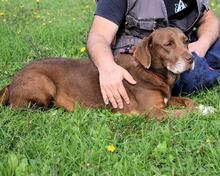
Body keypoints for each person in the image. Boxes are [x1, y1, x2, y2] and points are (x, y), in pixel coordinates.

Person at [87, 0, 220, 109]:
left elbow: (209, 19)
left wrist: (203, 43)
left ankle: (208, 67)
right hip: (147, 65)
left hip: (186, 46)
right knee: (194, 77)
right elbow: (99, 36)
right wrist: (107, 67)